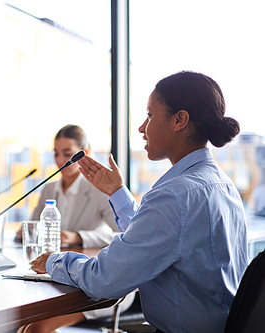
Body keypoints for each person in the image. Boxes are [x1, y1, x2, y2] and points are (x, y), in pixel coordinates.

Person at [31, 71, 248, 333]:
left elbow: (105, 278)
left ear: (179, 120)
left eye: (149, 115)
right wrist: (117, 192)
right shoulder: (220, 184)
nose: (142, 128)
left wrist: (54, 261)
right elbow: (155, 237)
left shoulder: (175, 195)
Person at [17, 125, 135, 333]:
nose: (60, 160)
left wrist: (79, 237)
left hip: (94, 280)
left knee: (36, 328)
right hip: (55, 276)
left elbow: (124, 234)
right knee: (19, 322)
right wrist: (24, 232)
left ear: (83, 153)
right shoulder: (49, 189)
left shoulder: (99, 188)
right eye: (56, 153)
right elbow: (34, 227)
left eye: (67, 154)